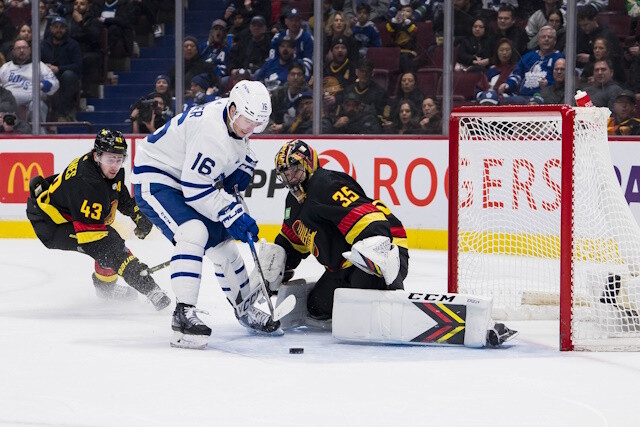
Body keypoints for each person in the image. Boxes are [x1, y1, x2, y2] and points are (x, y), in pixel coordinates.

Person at [131, 80, 280, 350]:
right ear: (234, 109)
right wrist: (232, 214)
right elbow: (195, 188)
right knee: (193, 232)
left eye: (258, 123)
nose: (251, 128)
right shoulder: (211, 131)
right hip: (156, 178)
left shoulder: (233, 120)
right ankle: (183, 314)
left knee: (224, 247)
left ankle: (244, 309)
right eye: (248, 120)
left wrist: (243, 162)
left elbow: (218, 167)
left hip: (182, 179)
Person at [24, 129, 171, 310]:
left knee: (108, 248)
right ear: (97, 156)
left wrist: (136, 214)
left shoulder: (101, 167)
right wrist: (143, 281)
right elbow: (100, 243)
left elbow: (117, 193)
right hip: (52, 225)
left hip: (67, 211)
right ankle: (111, 289)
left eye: (119, 159)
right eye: (110, 159)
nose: (115, 166)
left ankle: (105, 290)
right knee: (108, 245)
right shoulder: (87, 183)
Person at [270, 139, 409, 323]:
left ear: (309, 163)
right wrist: (275, 267)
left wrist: (377, 253)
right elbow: (292, 244)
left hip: (385, 250)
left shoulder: (325, 184)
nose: (291, 178)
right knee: (316, 307)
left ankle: (394, 306)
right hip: (345, 267)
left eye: (294, 169)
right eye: (285, 173)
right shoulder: (293, 202)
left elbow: (369, 220)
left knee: (361, 298)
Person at [498, 26, 564, 104]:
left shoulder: (559, 58)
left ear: (555, 41)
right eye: (543, 37)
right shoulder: (528, 57)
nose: (546, 39)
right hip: (523, 96)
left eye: (549, 37)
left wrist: (548, 84)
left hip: (545, 97)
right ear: (539, 40)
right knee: (503, 100)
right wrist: (507, 84)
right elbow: (517, 75)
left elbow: (561, 80)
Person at [0, 38, 59, 122]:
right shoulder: (5, 68)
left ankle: (39, 134)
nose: (21, 50)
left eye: (24, 47)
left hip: (32, 103)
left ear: (29, 50)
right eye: (18, 48)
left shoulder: (39, 66)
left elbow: (55, 83)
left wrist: (43, 85)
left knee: (37, 105)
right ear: (13, 51)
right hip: (8, 105)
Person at [40, 16, 83, 122]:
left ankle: (62, 114)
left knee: (68, 75)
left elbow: (78, 66)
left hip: (66, 78)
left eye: (62, 27)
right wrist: (46, 67)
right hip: (47, 76)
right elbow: (36, 63)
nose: (59, 30)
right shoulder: (44, 45)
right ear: (50, 28)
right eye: (56, 27)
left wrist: (59, 69)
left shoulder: (73, 44)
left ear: (66, 29)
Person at [68, 0, 104, 98]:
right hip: (71, 51)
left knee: (89, 59)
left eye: (82, 4)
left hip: (88, 50)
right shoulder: (69, 21)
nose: (78, 6)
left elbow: (94, 36)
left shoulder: (93, 21)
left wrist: (81, 22)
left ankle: (87, 91)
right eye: (76, 4)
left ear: (88, 7)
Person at [269, 8, 314, 79]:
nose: (294, 23)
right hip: (278, 71)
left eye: (296, 20)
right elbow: (272, 60)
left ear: (301, 21)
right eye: (291, 20)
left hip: (298, 74)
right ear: (286, 21)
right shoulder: (277, 37)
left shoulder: (308, 38)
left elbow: (308, 63)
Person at [268, 62, 308, 134]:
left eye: (299, 74)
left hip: (299, 133)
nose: (295, 77)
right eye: (293, 74)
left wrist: (283, 127)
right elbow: (268, 113)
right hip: (277, 132)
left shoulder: (308, 96)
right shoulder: (278, 93)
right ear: (288, 77)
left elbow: (304, 121)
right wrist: (272, 125)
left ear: (303, 78)